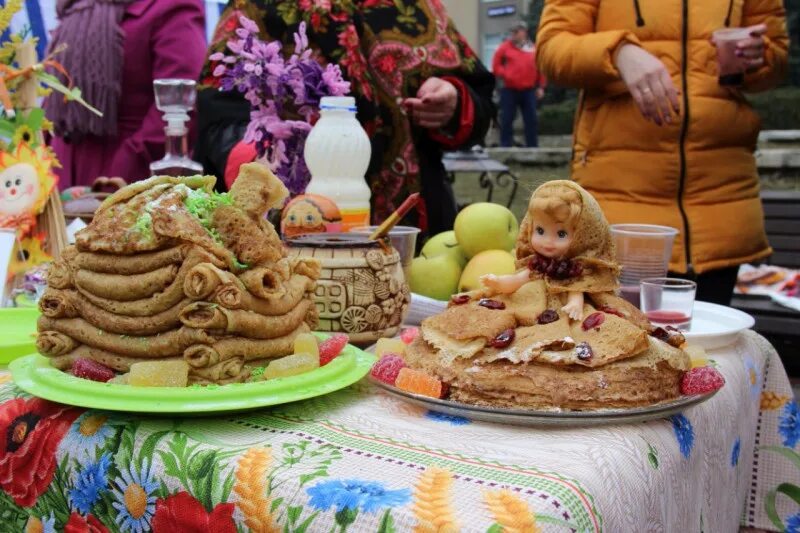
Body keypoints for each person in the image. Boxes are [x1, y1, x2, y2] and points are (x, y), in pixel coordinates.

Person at [536, 0, 788, 306]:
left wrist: (758, 56)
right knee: (620, 343)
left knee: (707, 351)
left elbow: (775, 59)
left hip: (723, 208)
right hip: (622, 211)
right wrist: (618, 52)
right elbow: (551, 51)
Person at [194, 0, 495, 237]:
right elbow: (218, 108)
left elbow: (478, 98)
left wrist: (453, 101)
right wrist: (257, 169)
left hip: (409, 229)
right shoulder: (257, 7)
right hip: (294, 228)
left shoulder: (414, 7)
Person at [43, 0, 207, 188]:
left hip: (123, 175)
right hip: (57, 173)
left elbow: (183, 97)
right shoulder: (76, 5)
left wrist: (125, 169)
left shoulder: (172, 6)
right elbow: (57, 90)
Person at [491, 21, 546, 148]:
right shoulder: (505, 47)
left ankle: (532, 147)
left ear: (524, 33)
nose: (513, 35)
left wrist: (541, 87)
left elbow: (541, 68)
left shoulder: (533, 49)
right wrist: (505, 73)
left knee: (531, 119)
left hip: (529, 90)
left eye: (516, 32)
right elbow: (496, 64)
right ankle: (505, 146)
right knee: (507, 119)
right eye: (512, 32)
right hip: (509, 90)